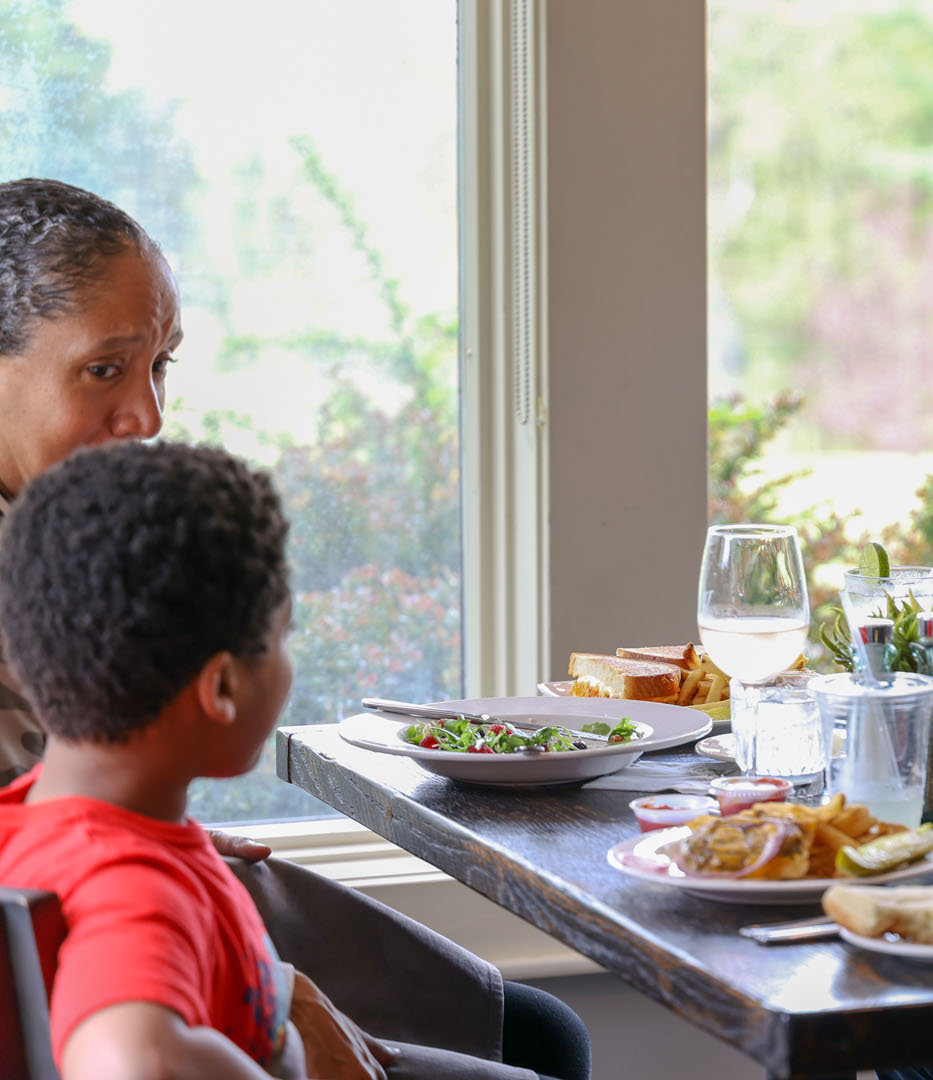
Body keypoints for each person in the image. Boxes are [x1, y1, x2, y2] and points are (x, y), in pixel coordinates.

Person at [0, 178, 589, 1078]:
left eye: (161, 367)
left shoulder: (65, 526)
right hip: (106, 949)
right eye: (105, 368)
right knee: (544, 1040)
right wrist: (274, 1003)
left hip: (161, 899)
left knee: (540, 1031)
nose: (149, 420)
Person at [0, 440, 546, 1078]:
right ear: (223, 689)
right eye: (282, 636)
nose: (289, 662)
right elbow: (129, 1055)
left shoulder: (30, 821)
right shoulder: (135, 885)